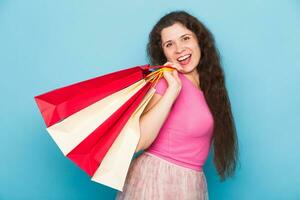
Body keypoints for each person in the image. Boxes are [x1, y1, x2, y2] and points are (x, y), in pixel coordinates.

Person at [115, 10, 239, 200]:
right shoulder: (166, 82)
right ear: (163, 52)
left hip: (189, 181)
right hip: (158, 180)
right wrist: (172, 90)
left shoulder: (209, 86)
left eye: (185, 38)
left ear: (199, 40)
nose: (179, 49)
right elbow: (139, 141)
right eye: (169, 44)